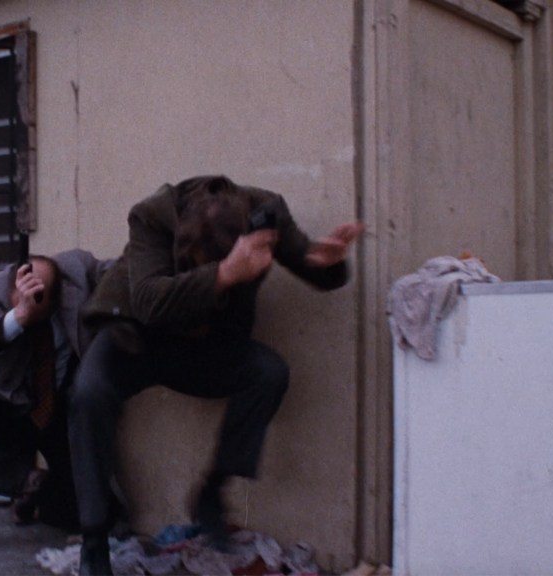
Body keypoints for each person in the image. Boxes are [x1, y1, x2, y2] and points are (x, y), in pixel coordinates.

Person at [68, 175, 364, 575]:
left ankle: (212, 492)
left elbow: (312, 266)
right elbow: (150, 301)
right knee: (88, 393)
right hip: (136, 336)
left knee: (267, 372)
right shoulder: (151, 216)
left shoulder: (266, 215)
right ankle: (93, 540)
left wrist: (328, 262)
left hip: (203, 343)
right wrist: (225, 273)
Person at [0, 248, 111, 557]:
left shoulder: (76, 271)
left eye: (38, 296)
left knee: (91, 515)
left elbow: (122, 272)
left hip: (58, 407)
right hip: (7, 400)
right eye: (22, 291)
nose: (28, 298)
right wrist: (19, 317)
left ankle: (38, 494)